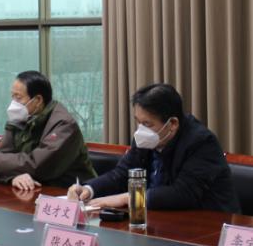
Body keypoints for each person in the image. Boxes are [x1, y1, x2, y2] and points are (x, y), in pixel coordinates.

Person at [68, 83, 239, 212]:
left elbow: (184, 193)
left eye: (147, 123)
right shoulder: (145, 138)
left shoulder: (201, 142)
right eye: (139, 122)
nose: (141, 129)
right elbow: (122, 174)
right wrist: (89, 189)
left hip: (207, 226)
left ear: (172, 124)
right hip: (158, 220)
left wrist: (129, 198)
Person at [0, 71, 95, 190]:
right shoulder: (21, 116)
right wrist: (13, 177)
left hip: (70, 193)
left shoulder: (64, 125)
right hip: (34, 190)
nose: (14, 103)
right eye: (12, 97)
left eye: (18, 97)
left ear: (38, 100)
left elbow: (37, 165)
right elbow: (1, 155)